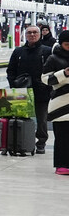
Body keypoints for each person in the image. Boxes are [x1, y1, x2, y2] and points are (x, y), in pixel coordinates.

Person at [9, 25, 49, 154]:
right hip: (21, 90)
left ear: (39, 35)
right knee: (19, 117)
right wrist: (13, 85)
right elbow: (11, 70)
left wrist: (47, 86)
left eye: (35, 32)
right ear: (25, 35)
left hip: (41, 91)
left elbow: (51, 69)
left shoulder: (46, 51)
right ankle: (20, 141)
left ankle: (41, 142)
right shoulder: (18, 52)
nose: (32, 35)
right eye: (29, 33)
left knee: (41, 119)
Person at [42, 30, 69, 175]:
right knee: (62, 137)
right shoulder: (53, 58)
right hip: (60, 104)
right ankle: (62, 165)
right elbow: (45, 79)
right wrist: (64, 73)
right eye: (67, 44)